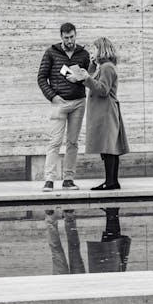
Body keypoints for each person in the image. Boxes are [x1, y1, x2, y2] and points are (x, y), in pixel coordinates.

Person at [69, 37, 129, 190]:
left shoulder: (107, 67)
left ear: (101, 50)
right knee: (109, 148)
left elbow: (103, 89)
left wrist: (87, 78)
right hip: (104, 111)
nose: (92, 52)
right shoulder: (102, 67)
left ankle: (110, 182)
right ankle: (112, 182)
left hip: (106, 111)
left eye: (94, 49)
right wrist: (90, 67)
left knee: (108, 148)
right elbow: (90, 80)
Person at [37, 23, 90, 192]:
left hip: (79, 102)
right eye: (66, 37)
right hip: (59, 103)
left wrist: (83, 76)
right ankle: (49, 180)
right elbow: (41, 78)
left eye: (72, 37)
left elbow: (89, 77)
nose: (69, 40)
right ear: (61, 37)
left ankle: (68, 179)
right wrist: (52, 96)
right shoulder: (51, 52)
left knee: (73, 142)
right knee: (55, 141)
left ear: (76, 35)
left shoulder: (83, 53)